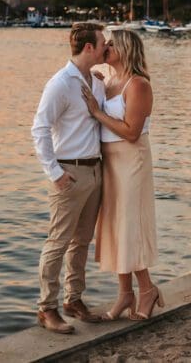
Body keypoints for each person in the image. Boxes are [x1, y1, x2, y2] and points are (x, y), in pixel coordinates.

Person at [30, 22, 108, 334]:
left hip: (95, 170)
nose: (106, 47)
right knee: (58, 241)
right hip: (69, 172)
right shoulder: (60, 84)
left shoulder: (96, 82)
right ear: (89, 47)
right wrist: (55, 172)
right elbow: (39, 129)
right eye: (103, 43)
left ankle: (73, 300)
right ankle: (46, 308)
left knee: (82, 241)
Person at [81, 29, 162, 321]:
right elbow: (81, 64)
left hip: (131, 160)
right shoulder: (108, 80)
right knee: (115, 225)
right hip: (110, 162)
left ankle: (147, 289)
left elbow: (131, 132)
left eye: (113, 44)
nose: (107, 47)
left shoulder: (137, 84)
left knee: (130, 225)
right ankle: (125, 293)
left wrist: (97, 113)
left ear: (126, 48)